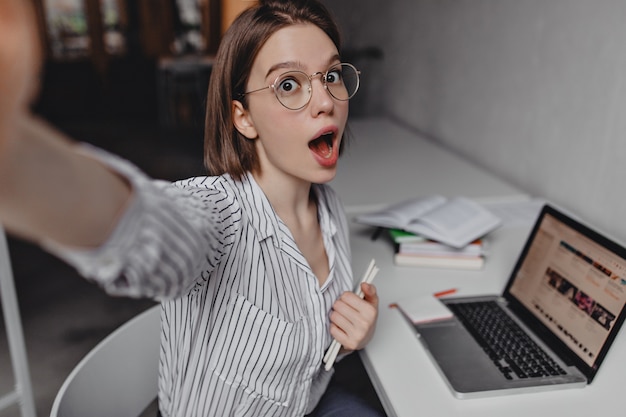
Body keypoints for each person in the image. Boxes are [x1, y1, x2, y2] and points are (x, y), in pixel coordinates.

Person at [0, 0, 383, 416]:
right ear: (243, 118)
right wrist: (15, 158)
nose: (325, 100)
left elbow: (303, 357)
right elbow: (145, 231)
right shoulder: (219, 213)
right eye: (288, 85)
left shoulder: (329, 209)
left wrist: (347, 339)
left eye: (330, 76)